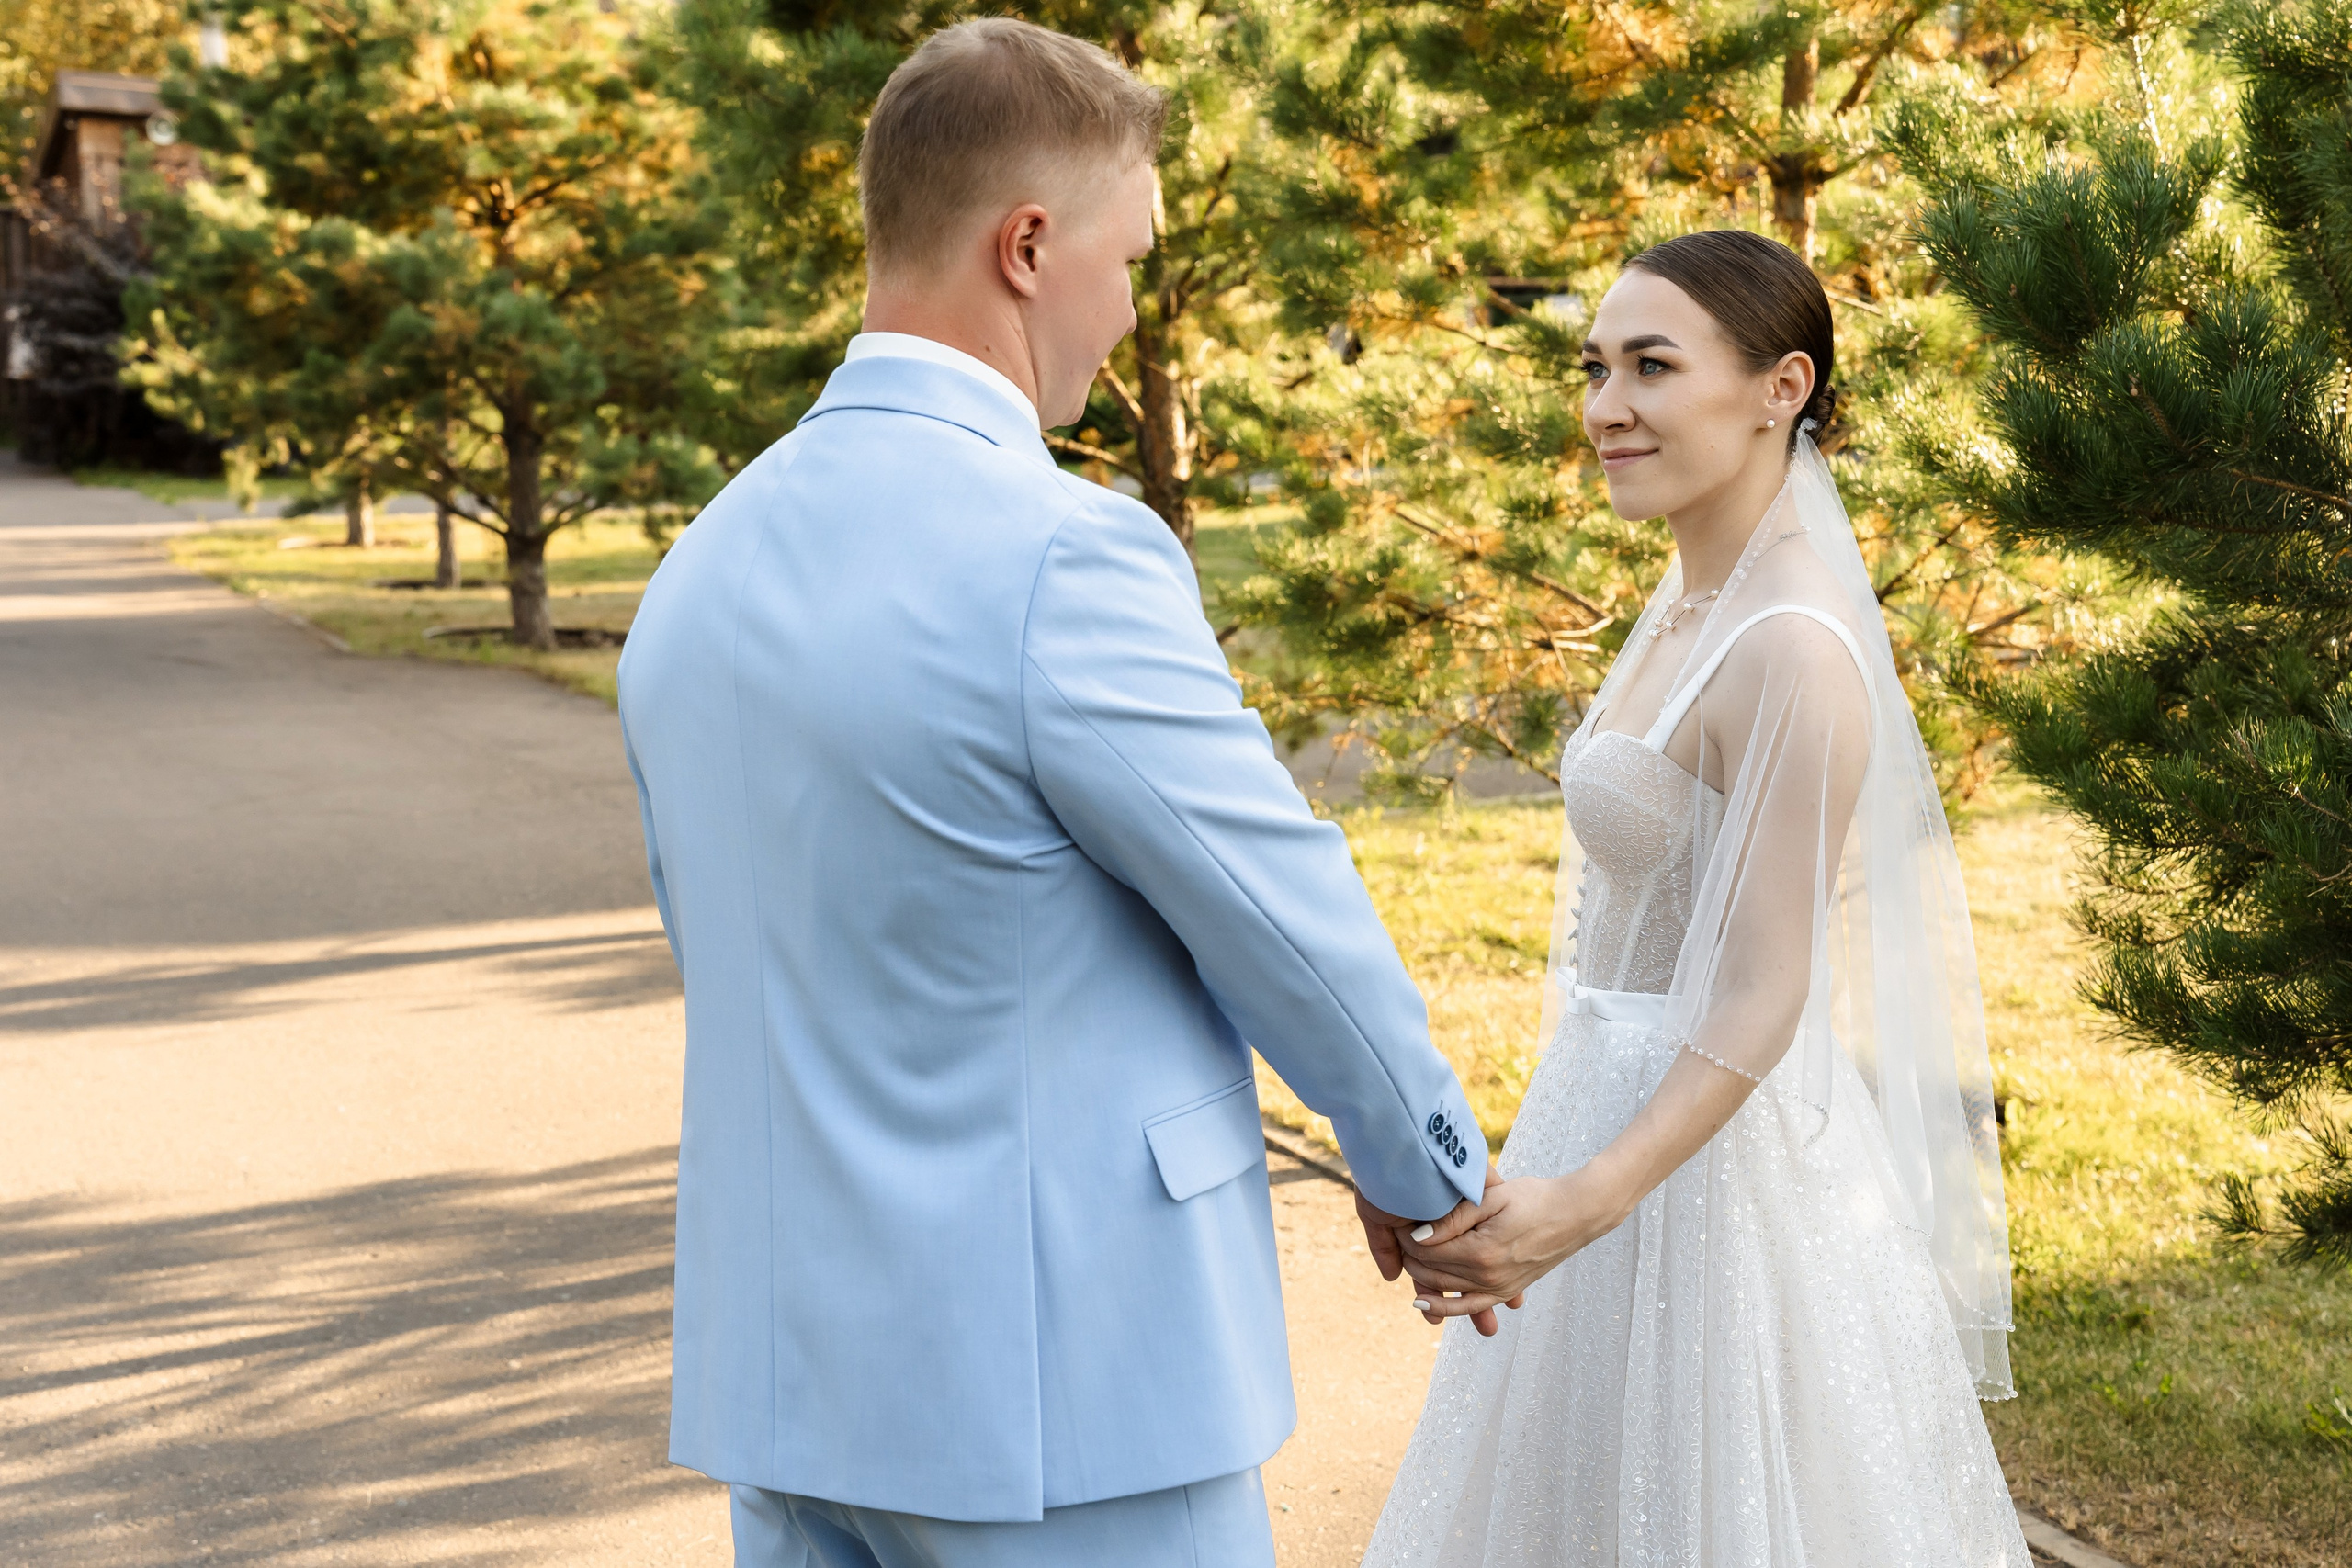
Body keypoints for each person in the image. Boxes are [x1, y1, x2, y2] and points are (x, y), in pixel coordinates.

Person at [615, 19, 1488, 1568]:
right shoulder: (1062, 555)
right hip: (1062, 1397)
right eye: (1130, 256)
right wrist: (1430, 1173)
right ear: (1027, 245)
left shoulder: (701, 568)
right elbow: (1275, 909)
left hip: (793, 1393)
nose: (1132, 302)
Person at [1359, 231, 2032, 1566]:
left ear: (1782, 386)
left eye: (1653, 367)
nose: (1607, 407)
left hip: (1708, 1190)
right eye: (1596, 366)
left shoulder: (1791, 646)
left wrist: (1588, 1201)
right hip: (1601, 1112)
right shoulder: (1687, 593)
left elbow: (1762, 995)